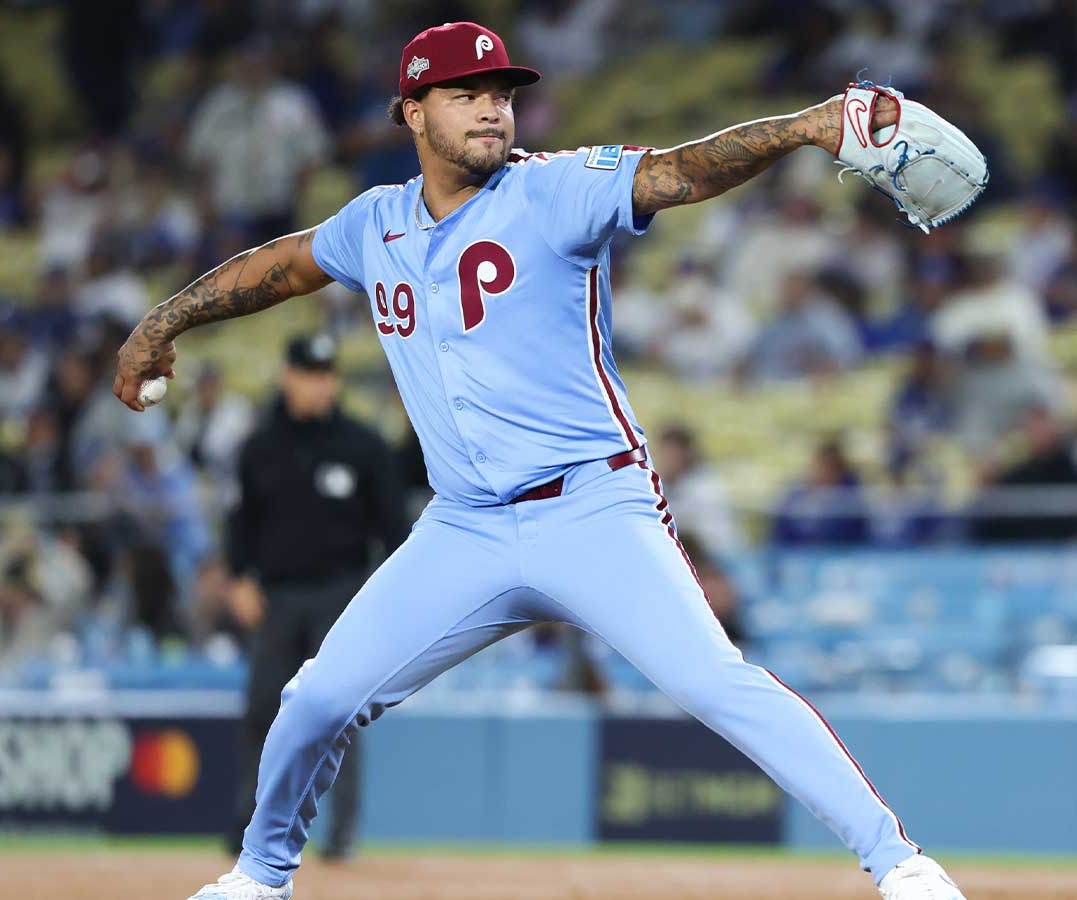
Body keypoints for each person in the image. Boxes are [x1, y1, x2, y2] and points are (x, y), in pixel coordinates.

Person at [114, 22, 964, 900]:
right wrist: (163, 321)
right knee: (316, 699)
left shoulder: (554, 188)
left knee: (718, 684)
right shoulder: (375, 223)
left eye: (503, 94)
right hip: (464, 527)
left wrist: (806, 127)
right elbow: (287, 264)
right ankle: (261, 877)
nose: (493, 108)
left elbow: (679, 171)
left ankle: (899, 863)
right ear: (413, 112)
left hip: (591, 508)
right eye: (466, 94)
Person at [224, 334, 409, 862]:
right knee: (263, 707)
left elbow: (395, 531)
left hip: (341, 596)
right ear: (288, 376)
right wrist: (239, 578)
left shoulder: (364, 447)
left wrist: (384, 599)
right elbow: (241, 522)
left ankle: (342, 834)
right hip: (277, 597)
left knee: (337, 712)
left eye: (327, 375)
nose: (320, 385)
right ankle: (249, 829)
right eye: (310, 374)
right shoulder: (260, 448)